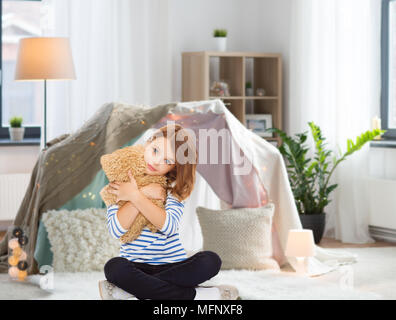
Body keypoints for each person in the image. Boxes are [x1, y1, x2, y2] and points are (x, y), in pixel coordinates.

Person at [98, 123, 239, 300]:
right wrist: (138, 193)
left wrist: (136, 196)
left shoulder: (172, 191)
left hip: (174, 266)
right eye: (155, 150)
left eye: (167, 161)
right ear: (147, 144)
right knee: (114, 267)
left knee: (211, 260)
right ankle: (197, 296)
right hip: (135, 266)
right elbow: (116, 230)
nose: (156, 161)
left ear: (174, 167)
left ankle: (131, 291)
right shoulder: (120, 183)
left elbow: (169, 226)